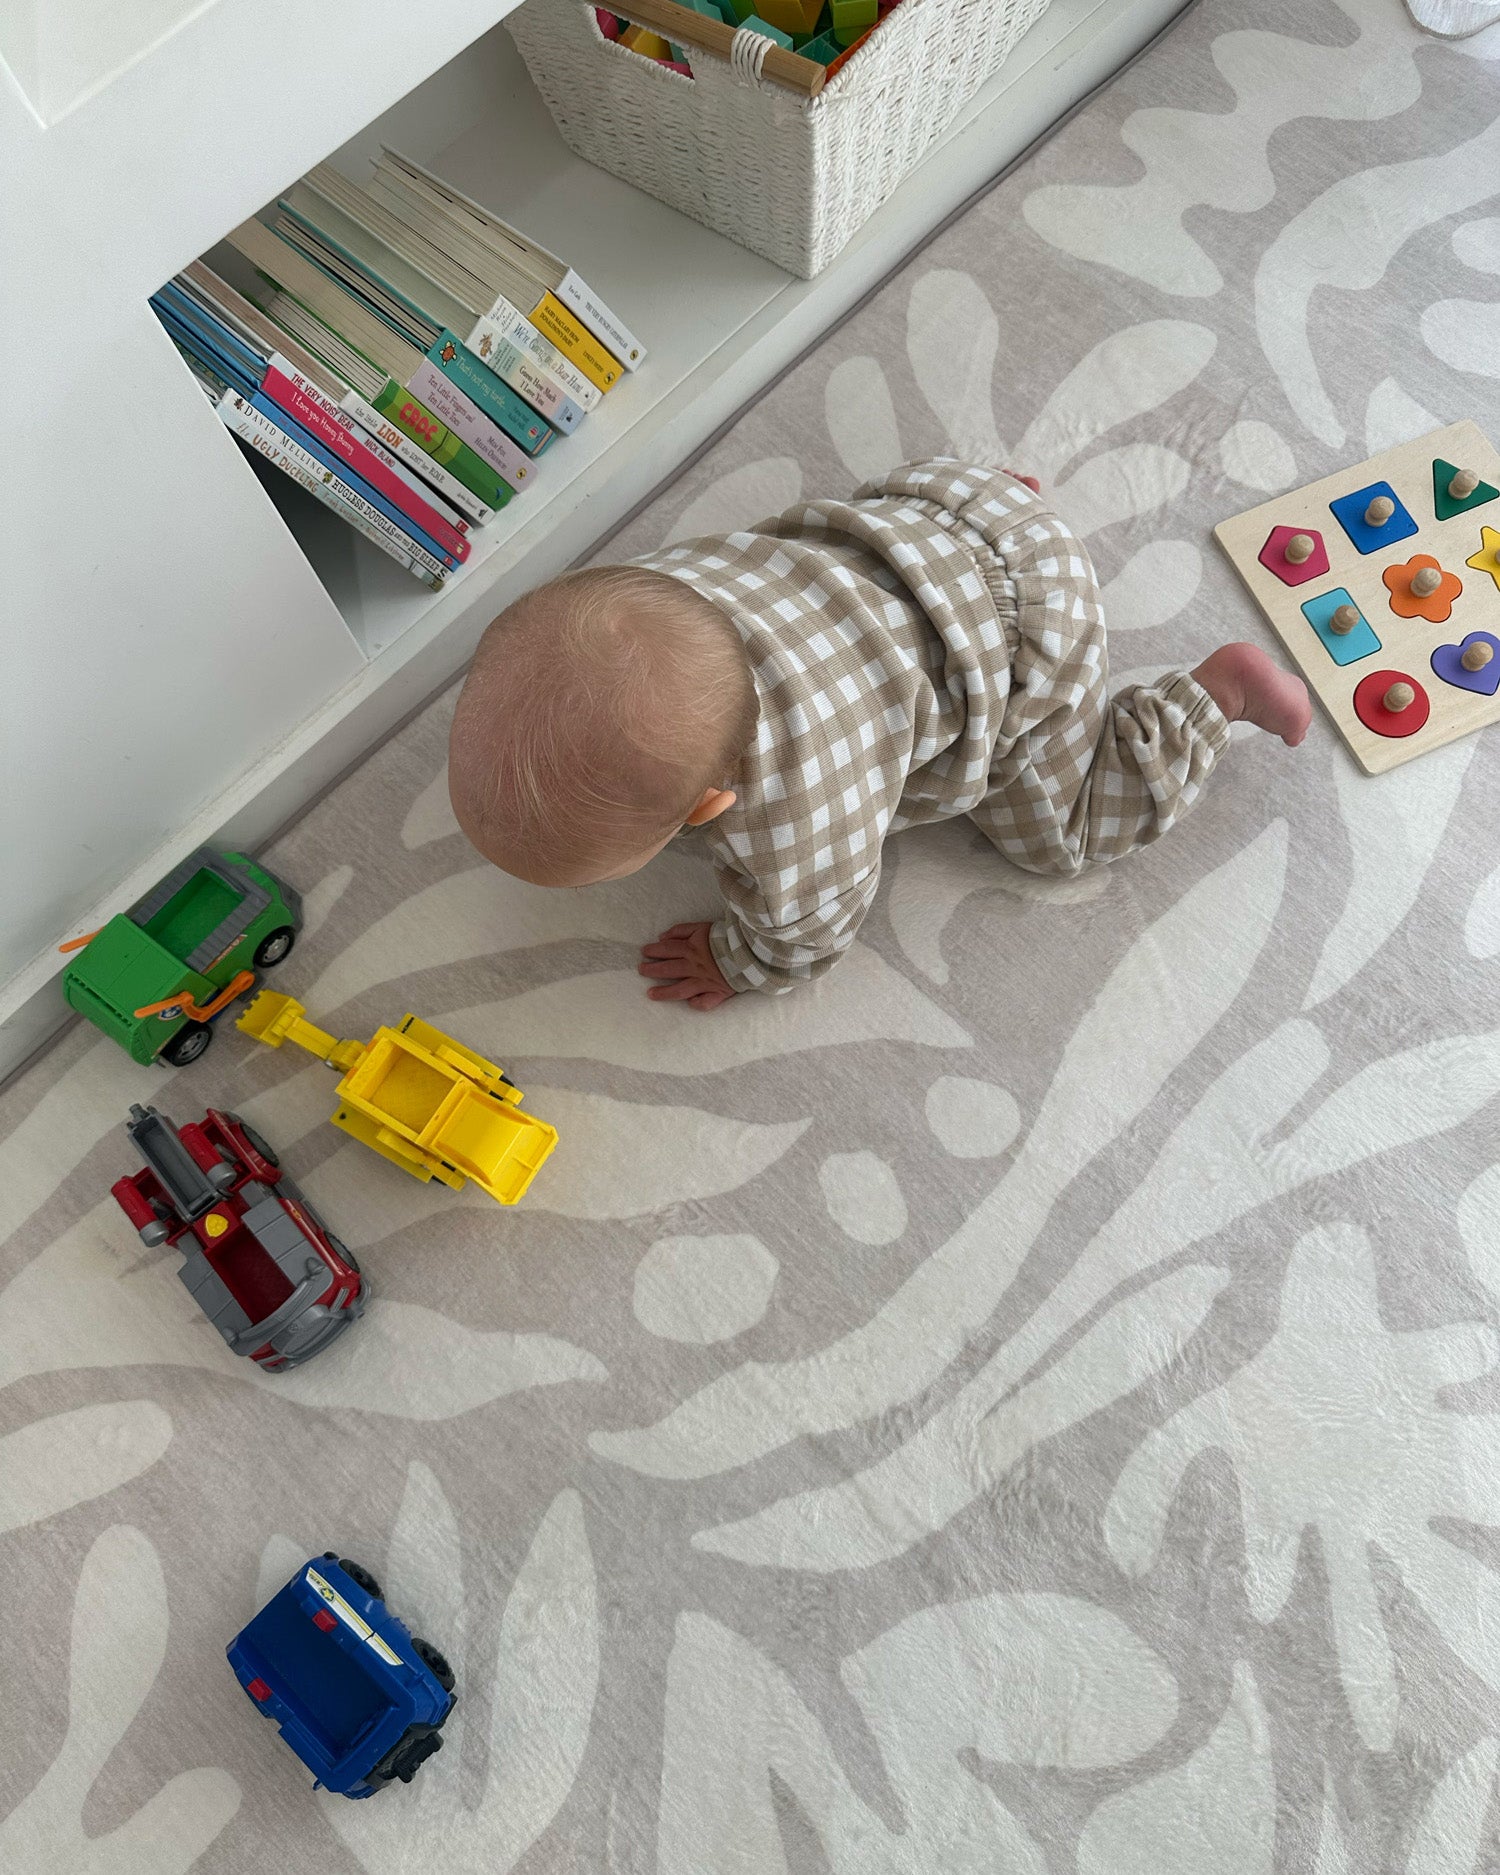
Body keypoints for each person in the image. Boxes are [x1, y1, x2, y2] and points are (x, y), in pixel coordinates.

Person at [448, 460, 1310, 1011]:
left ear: (710, 806)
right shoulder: (627, 597)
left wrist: (739, 962)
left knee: (1063, 837)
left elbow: (810, 930)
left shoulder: (792, 819)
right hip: (938, 506)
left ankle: (1219, 695)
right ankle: (1015, 498)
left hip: (1029, 637)